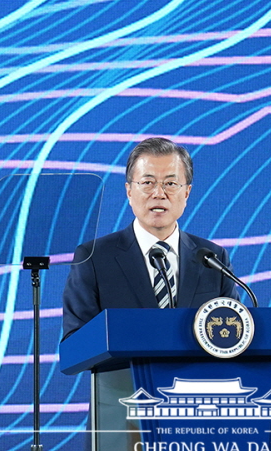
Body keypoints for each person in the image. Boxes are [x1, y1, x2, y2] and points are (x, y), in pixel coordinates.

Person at [62, 137, 238, 339]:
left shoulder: (213, 259)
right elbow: (75, 339)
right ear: (129, 191)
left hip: (195, 372)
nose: (159, 193)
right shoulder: (94, 258)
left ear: (187, 193)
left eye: (171, 183)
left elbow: (233, 333)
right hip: (124, 371)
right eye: (148, 183)